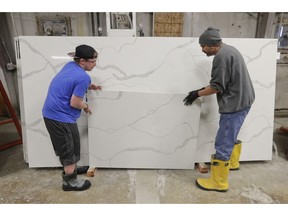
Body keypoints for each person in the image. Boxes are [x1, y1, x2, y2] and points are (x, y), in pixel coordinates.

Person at [183, 27, 255, 192]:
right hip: (245, 99)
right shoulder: (230, 50)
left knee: (223, 140)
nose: (202, 49)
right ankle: (233, 163)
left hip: (235, 103)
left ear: (212, 45)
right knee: (231, 133)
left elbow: (217, 87)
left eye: (203, 46)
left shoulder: (221, 58)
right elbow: (224, 80)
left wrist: (197, 93)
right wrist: (203, 88)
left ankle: (219, 182)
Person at [42, 44, 102, 191]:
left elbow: (70, 82)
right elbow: (75, 102)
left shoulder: (70, 65)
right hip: (59, 117)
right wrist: (86, 106)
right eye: (93, 61)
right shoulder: (83, 77)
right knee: (68, 148)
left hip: (54, 113)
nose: (95, 64)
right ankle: (70, 182)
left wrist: (89, 86)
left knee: (72, 144)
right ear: (82, 61)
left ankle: (72, 169)